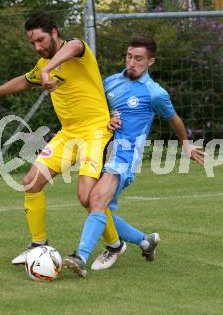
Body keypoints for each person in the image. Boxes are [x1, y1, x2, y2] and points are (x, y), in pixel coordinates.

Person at [0, 10, 121, 265]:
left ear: (54, 32)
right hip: (68, 134)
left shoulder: (77, 51)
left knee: (87, 197)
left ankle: (115, 246)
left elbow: (75, 45)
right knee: (31, 182)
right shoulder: (43, 65)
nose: (37, 47)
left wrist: (48, 69)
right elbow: (23, 80)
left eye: (41, 40)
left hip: (96, 131)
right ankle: (37, 245)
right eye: (32, 43)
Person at [63, 35, 205, 277]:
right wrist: (106, 120)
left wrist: (187, 145)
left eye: (139, 58)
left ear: (151, 61)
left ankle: (82, 257)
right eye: (129, 56)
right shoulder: (109, 82)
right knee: (92, 204)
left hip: (125, 156)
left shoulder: (154, 93)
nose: (132, 62)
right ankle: (145, 240)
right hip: (100, 151)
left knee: (97, 201)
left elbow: (174, 119)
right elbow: (96, 111)